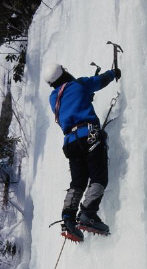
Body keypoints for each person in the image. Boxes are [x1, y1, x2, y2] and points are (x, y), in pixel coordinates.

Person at [45, 63, 121, 241]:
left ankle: (68, 218)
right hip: (89, 135)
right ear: (64, 73)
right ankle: (88, 213)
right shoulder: (78, 84)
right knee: (98, 177)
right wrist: (113, 73)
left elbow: (71, 106)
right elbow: (98, 81)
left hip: (70, 142)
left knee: (78, 182)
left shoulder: (53, 98)